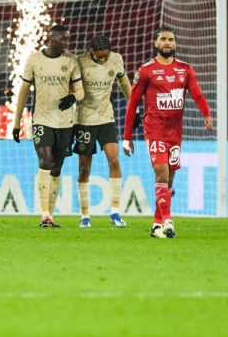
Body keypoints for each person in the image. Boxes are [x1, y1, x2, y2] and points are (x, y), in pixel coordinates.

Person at [122, 26, 213, 239]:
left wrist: (206, 113)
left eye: (171, 39)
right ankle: (168, 221)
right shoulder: (145, 70)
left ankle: (156, 225)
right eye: (163, 39)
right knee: (161, 171)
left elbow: (197, 94)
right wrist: (127, 137)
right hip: (154, 128)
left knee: (168, 179)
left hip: (175, 132)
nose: (167, 43)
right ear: (155, 43)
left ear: (175, 43)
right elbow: (133, 102)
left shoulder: (185, 69)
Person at [12, 24, 84, 229]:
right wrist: (17, 122)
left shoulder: (71, 61)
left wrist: (72, 97)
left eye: (68, 39)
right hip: (42, 119)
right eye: (63, 39)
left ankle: (50, 215)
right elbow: (23, 92)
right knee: (45, 160)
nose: (67, 43)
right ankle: (44, 215)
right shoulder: (34, 59)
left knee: (56, 167)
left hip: (64, 122)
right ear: (51, 38)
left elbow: (80, 91)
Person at [74, 34, 131, 228]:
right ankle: (85, 215)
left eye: (106, 56)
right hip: (84, 120)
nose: (103, 59)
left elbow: (124, 83)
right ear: (92, 51)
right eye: (100, 56)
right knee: (84, 168)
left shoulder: (116, 59)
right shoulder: (80, 62)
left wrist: (134, 107)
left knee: (114, 159)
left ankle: (115, 212)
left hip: (107, 118)